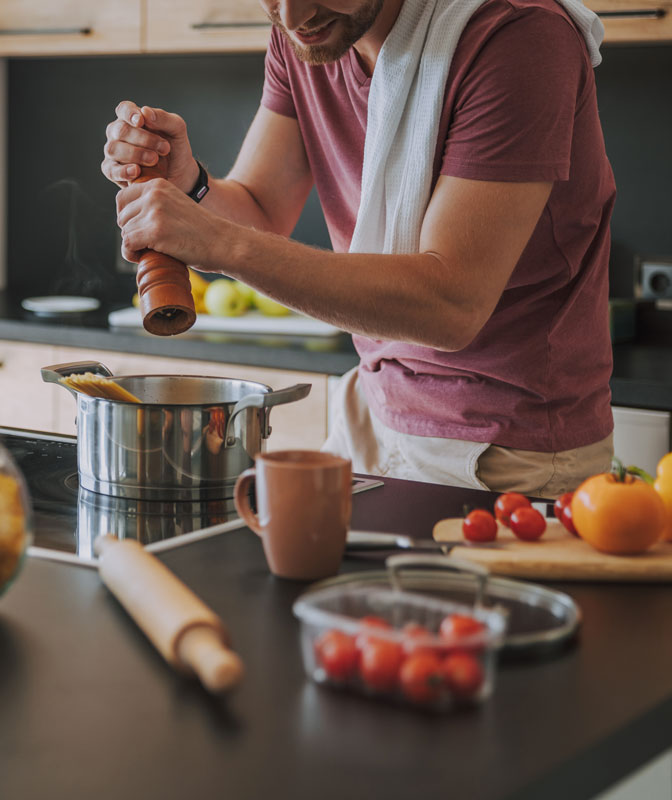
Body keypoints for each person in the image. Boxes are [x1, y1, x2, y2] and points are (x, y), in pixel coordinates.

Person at [101, 0, 615, 499]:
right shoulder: (306, 34)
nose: (293, 16)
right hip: (373, 410)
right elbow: (260, 208)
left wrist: (220, 243)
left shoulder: (519, 35)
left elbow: (451, 306)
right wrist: (190, 183)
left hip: (505, 448)